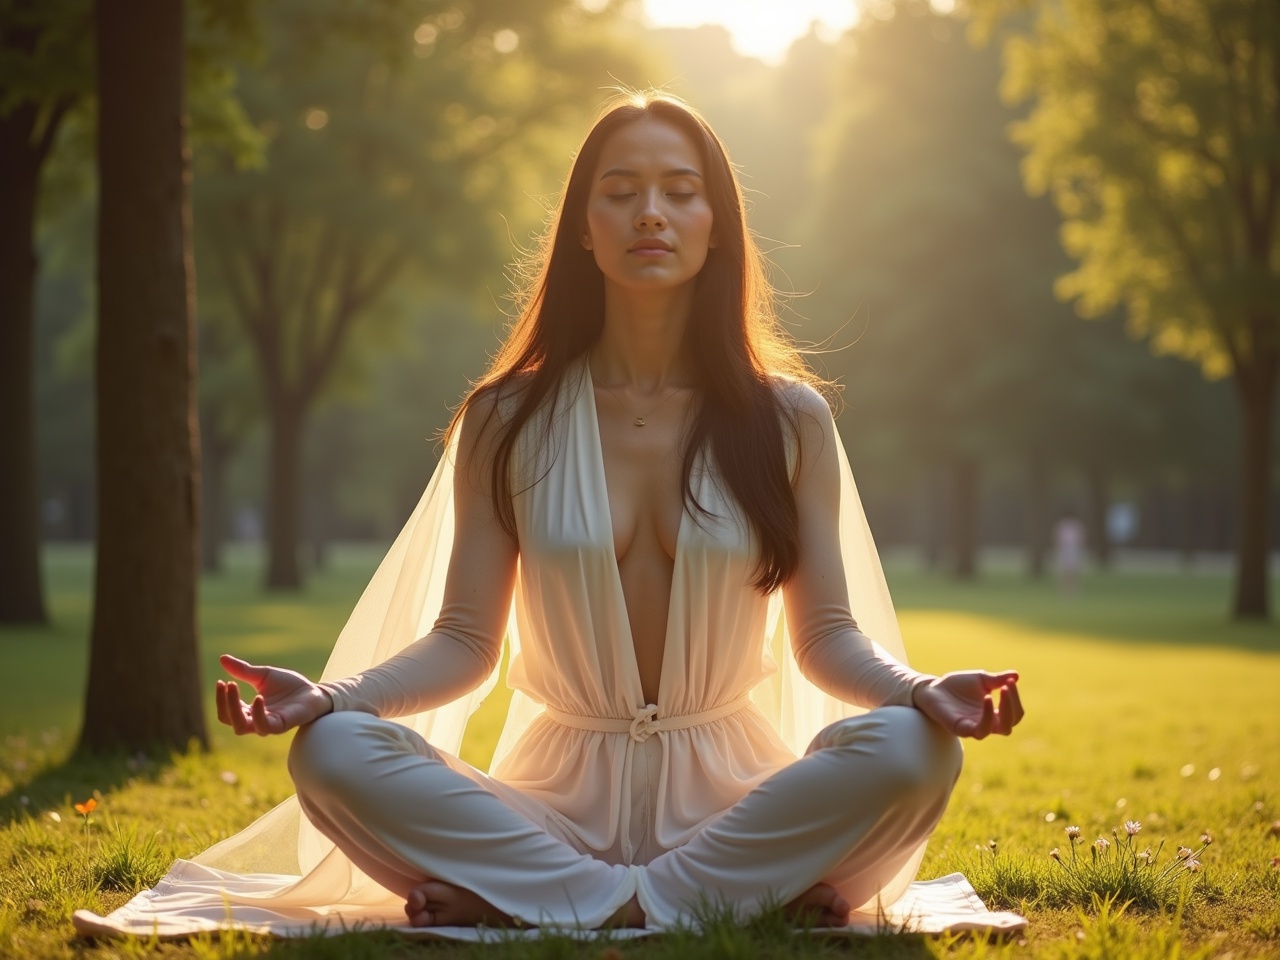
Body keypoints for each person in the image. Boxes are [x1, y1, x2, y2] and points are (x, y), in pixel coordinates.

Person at [211, 92, 1024, 932]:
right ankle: (691, 903)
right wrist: (332, 698)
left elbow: (825, 639)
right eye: (621, 189)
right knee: (334, 750)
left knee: (915, 747)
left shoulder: (788, 420)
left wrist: (921, 690)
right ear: (581, 226)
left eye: (680, 190)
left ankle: (564, 903)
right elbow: (463, 641)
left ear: (718, 226)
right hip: (547, 816)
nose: (651, 213)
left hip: (735, 812)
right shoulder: (504, 419)